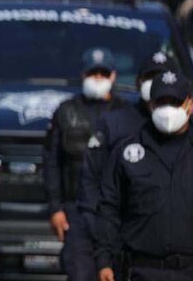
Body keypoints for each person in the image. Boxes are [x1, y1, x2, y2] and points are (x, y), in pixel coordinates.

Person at [77, 52, 180, 268]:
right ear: (138, 82)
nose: (156, 84)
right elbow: (93, 179)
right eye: (150, 77)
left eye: (162, 77)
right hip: (118, 236)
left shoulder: (183, 129)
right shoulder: (117, 122)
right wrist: (99, 232)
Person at [96, 70, 193, 281]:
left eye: (175, 102)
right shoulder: (127, 152)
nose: (168, 109)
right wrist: (104, 260)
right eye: (162, 102)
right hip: (143, 269)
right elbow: (108, 208)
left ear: (190, 104)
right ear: (150, 105)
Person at [42, 47, 131, 281]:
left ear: (113, 76)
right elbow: (52, 162)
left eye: (103, 74)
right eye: (93, 73)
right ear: (83, 75)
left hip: (117, 211)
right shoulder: (66, 111)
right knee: (80, 272)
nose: (98, 79)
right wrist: (55, 208)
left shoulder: (127, 113)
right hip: (77, 209)